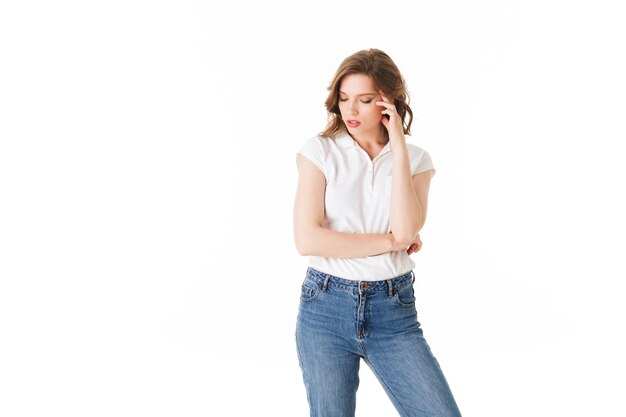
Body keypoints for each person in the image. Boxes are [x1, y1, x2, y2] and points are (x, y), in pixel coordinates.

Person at [292, 48, 463, 417]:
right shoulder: (319, 152)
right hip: (325, 307)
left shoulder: (417, 161)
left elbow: (405, 229)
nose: (350, 110)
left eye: (365, 100)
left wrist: (397, 143)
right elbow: (308, 239)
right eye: (343, 98)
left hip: (393, 311)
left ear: (388, 102)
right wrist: (388, 243)